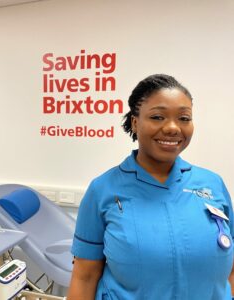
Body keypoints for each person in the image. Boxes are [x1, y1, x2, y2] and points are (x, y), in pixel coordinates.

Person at [67, 74, 234, 300]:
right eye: (157, 116)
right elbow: (84, 277)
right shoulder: (103, 190)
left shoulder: (212, 184)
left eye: (184, 118)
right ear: (135, 123)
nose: (173, 128)